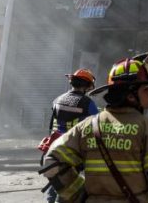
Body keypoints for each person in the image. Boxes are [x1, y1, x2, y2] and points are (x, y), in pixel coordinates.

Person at [41, 53, 148, 203]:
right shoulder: (146, 128)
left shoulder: (87, 125)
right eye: (146, 88)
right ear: (131, 96)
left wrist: (79, 195)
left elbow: (51, 162)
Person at [43, 69, 99, 202]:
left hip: (55, 148)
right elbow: (97, 124)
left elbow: (52, 125)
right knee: (71, 187)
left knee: (56, 182)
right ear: (86, 86)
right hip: (74, 150)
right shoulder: (87, 102)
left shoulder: (58, 99)